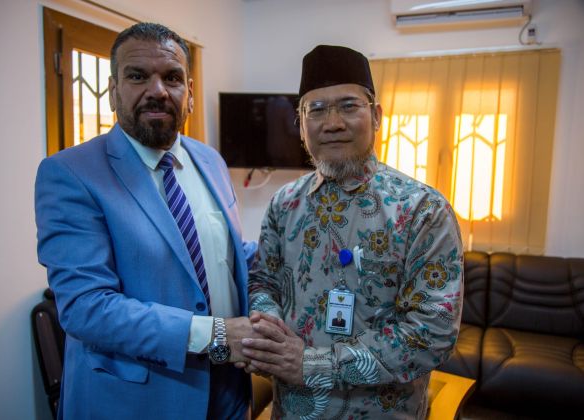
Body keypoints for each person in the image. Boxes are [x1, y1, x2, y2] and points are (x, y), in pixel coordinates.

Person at [35, 23, 259, 420]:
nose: (157, 90)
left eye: (172, 77)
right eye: (138, 76)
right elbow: (87, 307)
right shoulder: (70, 173)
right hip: (141, 400)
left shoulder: (210, 160)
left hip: (228, 392)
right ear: (112, 90)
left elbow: (227, 253)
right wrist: (216, 334)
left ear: (190, 92)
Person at [241, 45, 464, 419]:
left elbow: (432, 333)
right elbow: (264, 280)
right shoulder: (284, 204)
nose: (332, 123)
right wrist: (269, 327)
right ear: (300, 123)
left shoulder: (422, 211)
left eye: (348, 106)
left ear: (376, 116)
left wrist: (312, 364)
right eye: (316, 110)